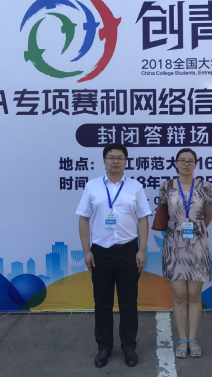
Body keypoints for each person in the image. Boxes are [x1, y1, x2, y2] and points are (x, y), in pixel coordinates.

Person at [76, 143, 152, 368]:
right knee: (102, 303)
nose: (115, 161)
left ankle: (129, 346)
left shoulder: (135, 186)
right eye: (111, 157)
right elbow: (83, 219)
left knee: (129, 303)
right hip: (100, 252)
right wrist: (86, 250)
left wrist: (141, 249)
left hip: (128, 251)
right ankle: (104, 347)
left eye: (120, 157)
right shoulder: (92, 186)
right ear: (104, 161)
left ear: (126, 161)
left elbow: (143, 219)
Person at [158, 148, 212, 358]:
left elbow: (208, 216)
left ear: (196, 164)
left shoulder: (205, 187)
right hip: (174, 245)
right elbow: (163, 214)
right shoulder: (166, 186)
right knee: (180, 295)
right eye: (182, 160)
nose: (186, 164)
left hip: (197, 245)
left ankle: (193, 338)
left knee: (194, 294)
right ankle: (182, 338)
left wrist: (195, 232)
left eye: (190, 161)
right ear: (176, 163)